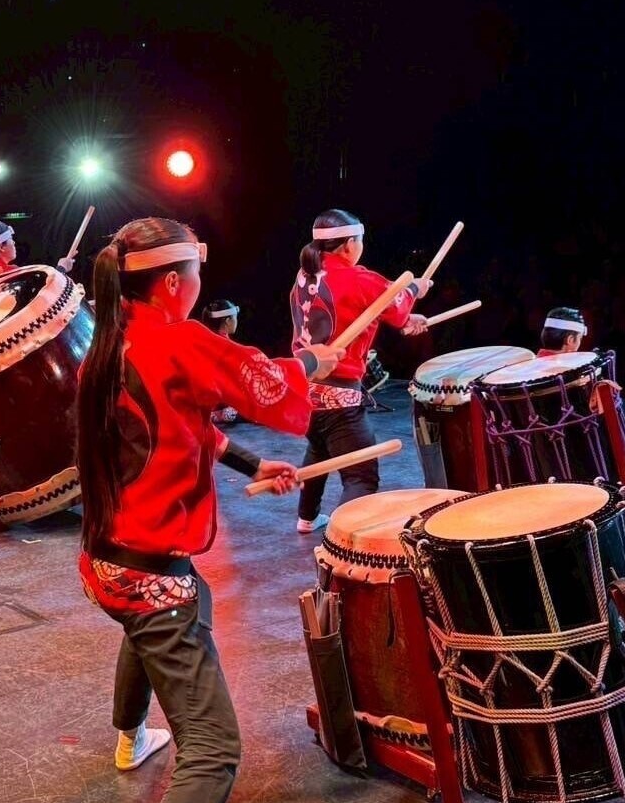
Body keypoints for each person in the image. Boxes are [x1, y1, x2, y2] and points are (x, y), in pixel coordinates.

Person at [76, 217, 341, 803]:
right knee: (213, 750)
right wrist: (315, 364)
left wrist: (251, 465)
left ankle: (131, 736)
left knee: (163, 615)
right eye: (196, 272)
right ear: (172, 282)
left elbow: (173, 426)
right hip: (150, 572)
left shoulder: (110, 342)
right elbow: (264, 381)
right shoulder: (178, 340)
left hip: (105, 559)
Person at [289, 209, 432, 534]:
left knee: (319, 450)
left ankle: (307, 517)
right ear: (350, 244)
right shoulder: (357, 278)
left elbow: (370, 312)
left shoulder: (304, 278)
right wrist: (415, 290)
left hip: (305, 387)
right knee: (361, 476)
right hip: (339, 391)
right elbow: (395, 305)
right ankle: (340, 546)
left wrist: (408, 319)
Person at [537, 306, 625, 472]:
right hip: (584, 466)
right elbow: (595, 432)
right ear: (571, 340)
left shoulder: (526, 375)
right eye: (579, 338)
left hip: (540, 464)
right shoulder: (575, 378)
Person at [200, 300, 241, 424]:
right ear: (228, 321)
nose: (236, 321)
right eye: (235, 318)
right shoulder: (227, 347)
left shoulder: (204, 341)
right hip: (218, 406)